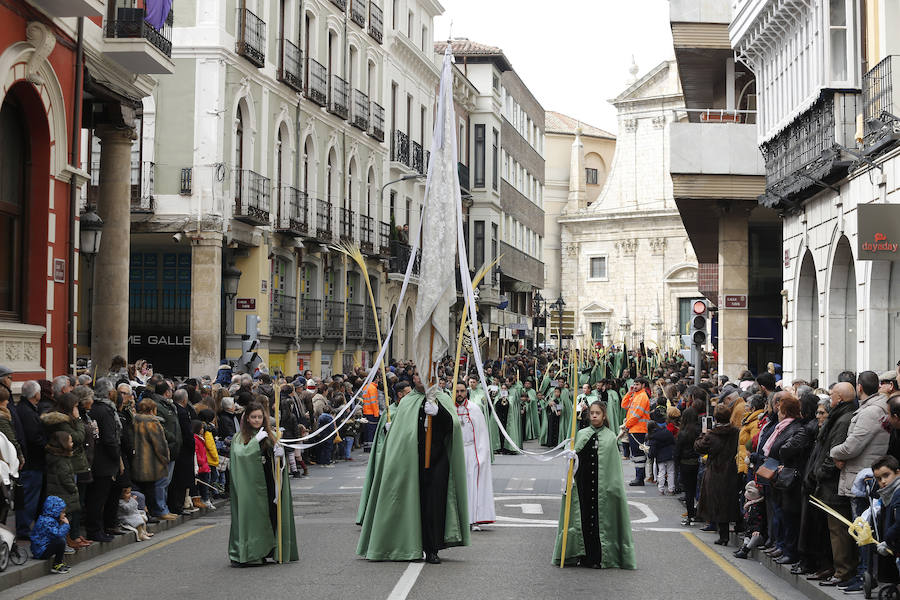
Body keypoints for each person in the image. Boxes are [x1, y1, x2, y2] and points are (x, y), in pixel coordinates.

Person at [356, 377, 469, 564]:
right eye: (416, 374)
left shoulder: (442, 398)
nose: (420, 378)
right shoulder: (408, 401)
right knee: (411, 503)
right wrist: (390, 431)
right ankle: (407, 544)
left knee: (433, 506)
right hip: (411, 461)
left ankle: (432, 548)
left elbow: (453, 427)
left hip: (436, 460)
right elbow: (400, 433)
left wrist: (439, 412)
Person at [552, 401, 636, 569]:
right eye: (592, 413)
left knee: (599, 521)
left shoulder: (610, 437)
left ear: (604, 416)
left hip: (602, 487)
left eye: (598, 413)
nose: (595, 415)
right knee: (582, 519)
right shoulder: (582, 434)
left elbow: (614, 468)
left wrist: (613, 487)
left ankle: (599, 557)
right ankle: (581, 555)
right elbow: (574, 461)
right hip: (583, 486)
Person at [228, 401, 298, 566]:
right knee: (252, 517)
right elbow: (240, 455)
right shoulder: (239, 437)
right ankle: (250, 552)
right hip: (250, 484)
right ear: (247, 419)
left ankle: (269, 549)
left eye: (260, 417)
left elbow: (274, 459)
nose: (257, 420)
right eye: (253, 417)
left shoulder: (268, 434)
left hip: (268, 480)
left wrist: (279, 454)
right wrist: (254, 443)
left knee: (271, 515)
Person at [695, 403, 740, 546]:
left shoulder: (712, 435)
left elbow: (699, 447)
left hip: (716, 470)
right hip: (732, 469)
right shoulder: (736, 432)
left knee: (717, 502)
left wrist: (703, 433)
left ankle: (722, 535)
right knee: (730, 501)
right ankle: (735, 529)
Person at [454, 381, 495, 530]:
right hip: (455, 452)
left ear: (467, 392)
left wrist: (481, 455)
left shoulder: (474, 409)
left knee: (472, 485)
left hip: (471, 451)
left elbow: (482, 433)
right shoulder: (449, 408)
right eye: (457, 391)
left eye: (462, 391)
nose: (459, 394)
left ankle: (474, 519)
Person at [132, 399, 172, 519]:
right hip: (149, 462)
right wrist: (165, 458)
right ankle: (152, 513)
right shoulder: (152, 423)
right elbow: (160, 445)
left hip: (136, 460)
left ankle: (143, 513)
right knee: (150, 489)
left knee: (139, 490)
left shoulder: (134, 421)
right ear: (152, 409)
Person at [16, 380, 46, 539]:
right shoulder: (27, 412)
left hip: (30, 462)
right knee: (28, 498)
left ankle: (24, 528)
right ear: (36, 394)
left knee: (27, 497)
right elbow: (34, 438)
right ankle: (24, 530)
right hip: (32, 463)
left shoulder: (23, 408)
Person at [621, 378, 652, 486]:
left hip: (638, 429)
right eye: (634, 384)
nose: (634, 386)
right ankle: (639, 477)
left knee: (638, 455)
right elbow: (624, 405)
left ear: (643, 385)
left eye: (637, 384)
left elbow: (637, 415)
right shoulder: (636, 395)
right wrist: (629, 392)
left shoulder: (642, 397)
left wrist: (627, 425)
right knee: (636, 455)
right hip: (634, 429)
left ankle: (639, 478)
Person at [30, 496, 71, 574]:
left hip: (42, 548)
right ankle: (57, 564)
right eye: (62, 512)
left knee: (60, 541)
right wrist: (66, 525)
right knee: (60, 541)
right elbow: (58, 535)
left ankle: (59, 562)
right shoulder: (47, 521)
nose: (64, 514)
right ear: (56, 512)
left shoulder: (49, 519)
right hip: (41, 551)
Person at [676, 407, 701, 526]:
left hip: (685, 464)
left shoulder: (683, 433)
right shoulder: (699, 431)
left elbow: (677, 451)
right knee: (698, 489)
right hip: (698, 462)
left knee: (689, 491)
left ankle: (690, 515)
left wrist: (676, 465)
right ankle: (698, 513)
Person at [647, 421, 676, 495]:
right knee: (671, 472)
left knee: (661, 472)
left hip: (660, 456)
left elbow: (652, 450)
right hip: (670, 454)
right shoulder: (667, 432)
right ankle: (671, 490)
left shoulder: (653, 436)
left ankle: (661, 490)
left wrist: (650, 455)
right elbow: (674, 442)